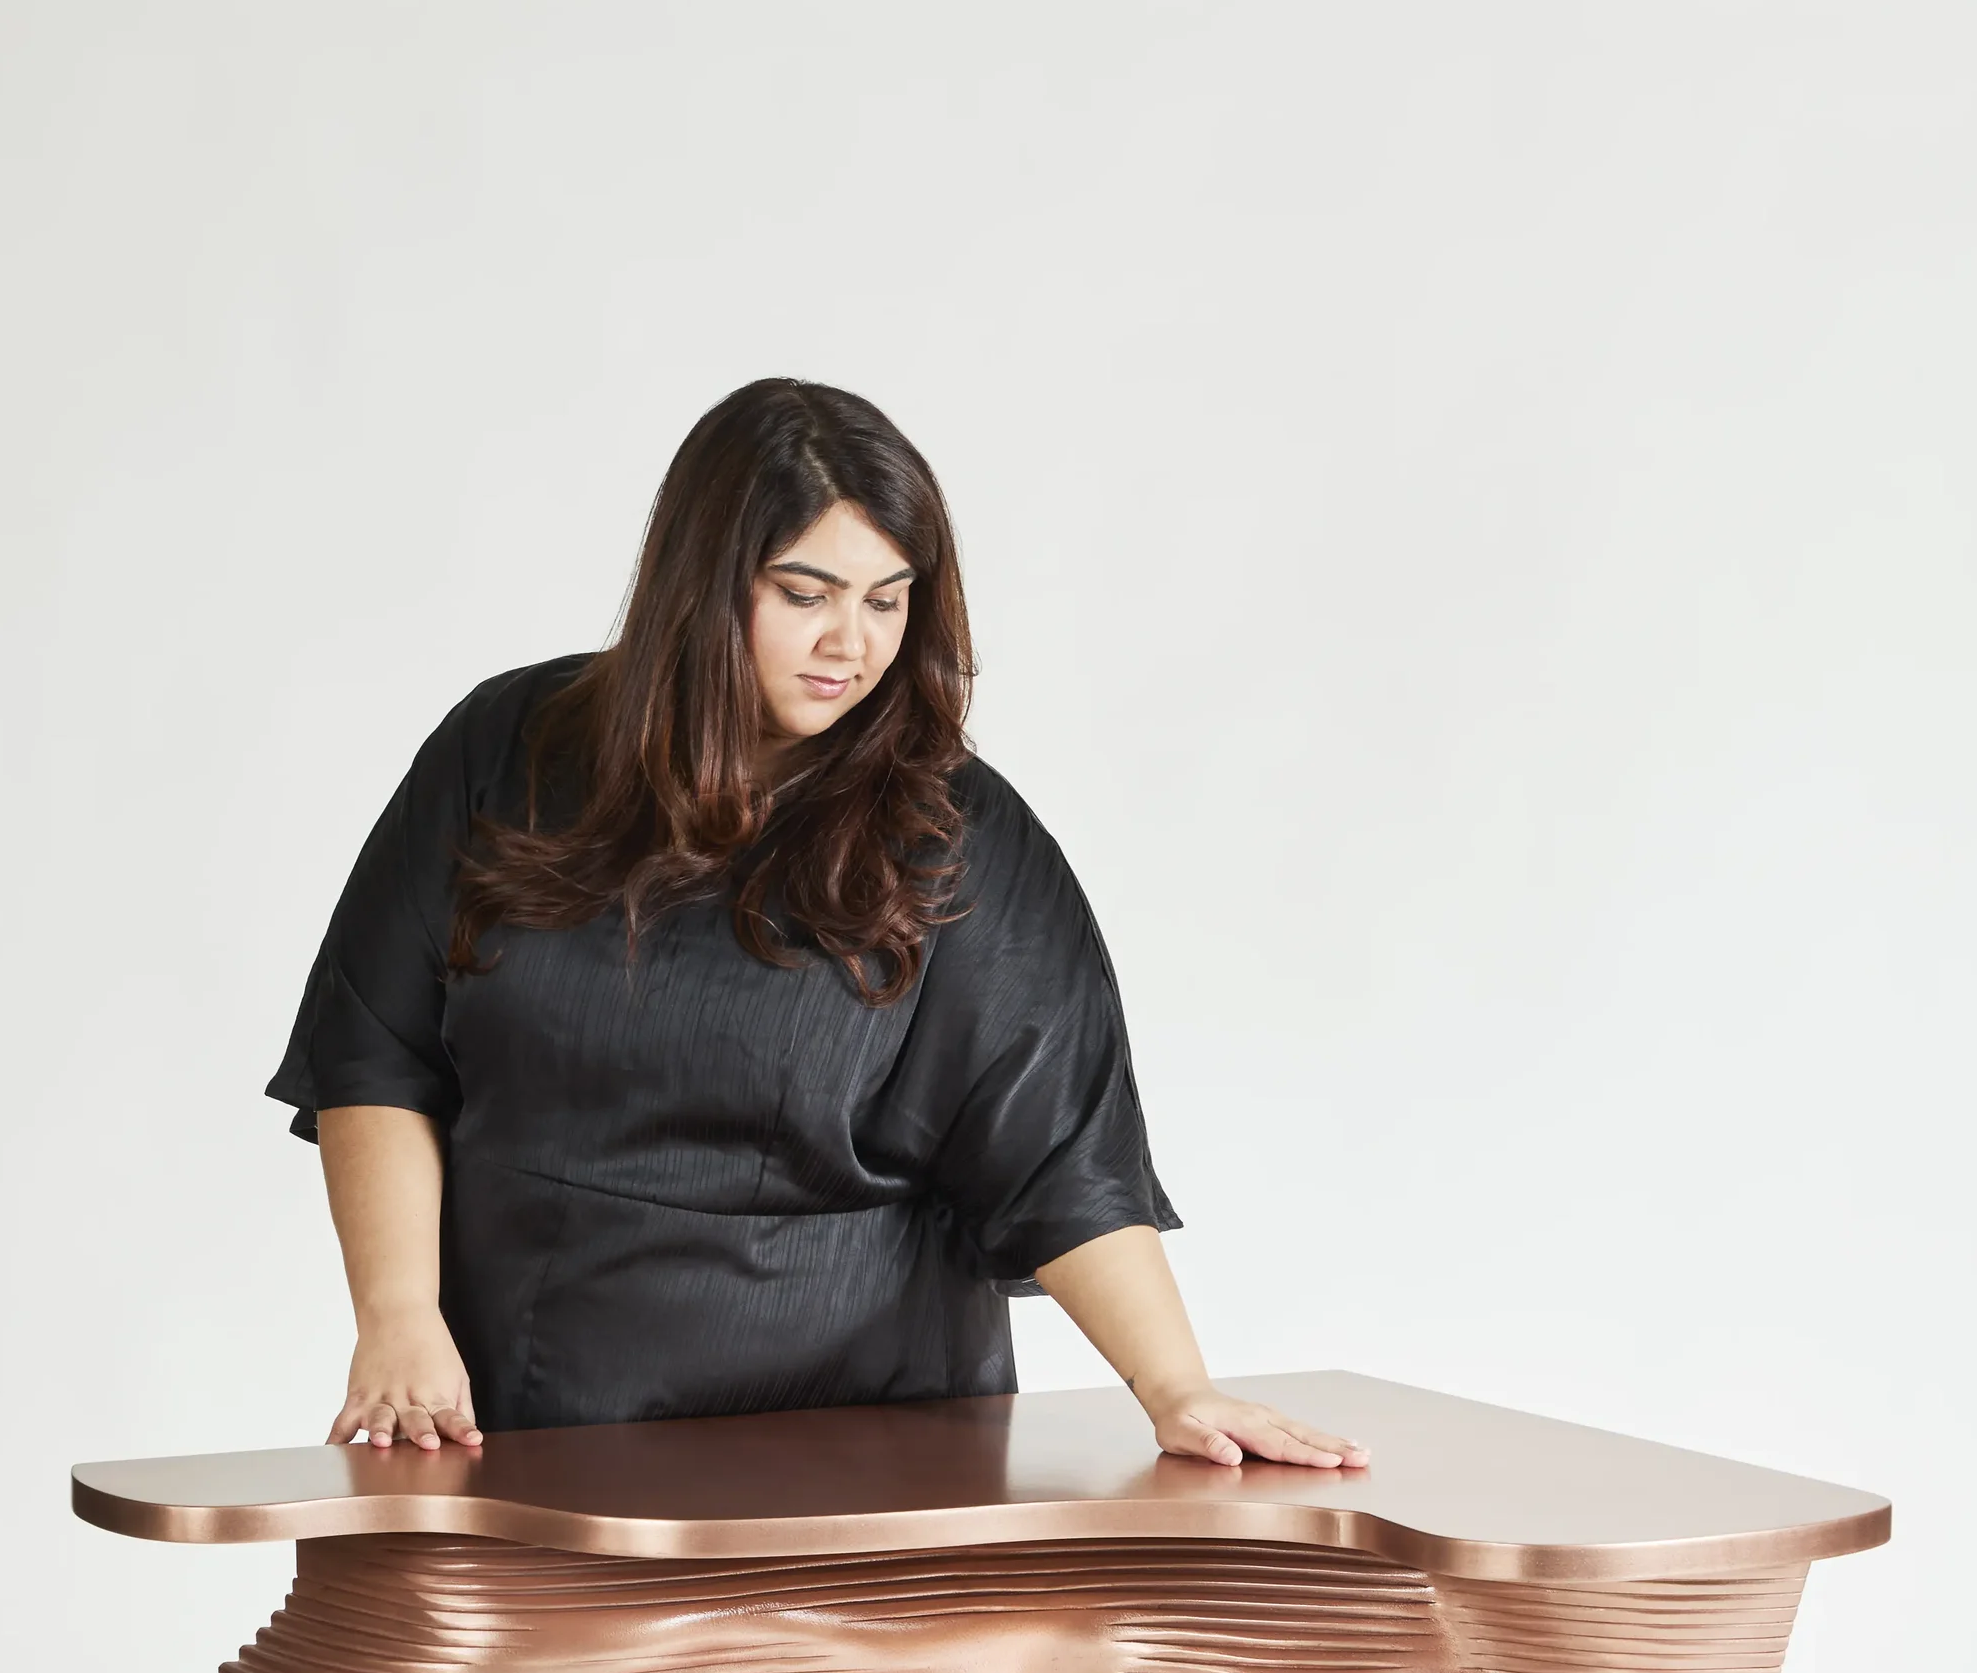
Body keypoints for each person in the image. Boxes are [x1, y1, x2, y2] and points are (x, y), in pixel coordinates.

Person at [271, 376, 1366, 1480]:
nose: (852, 643)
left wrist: (1177, 1388)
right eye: (807, 594)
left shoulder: (956, 834)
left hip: (865, 1447)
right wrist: (398, 1316)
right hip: (523, 1415)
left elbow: (1063, 1156)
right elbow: (379, 1052)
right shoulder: (508, 748)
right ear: (702, 581)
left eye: (888, 601)